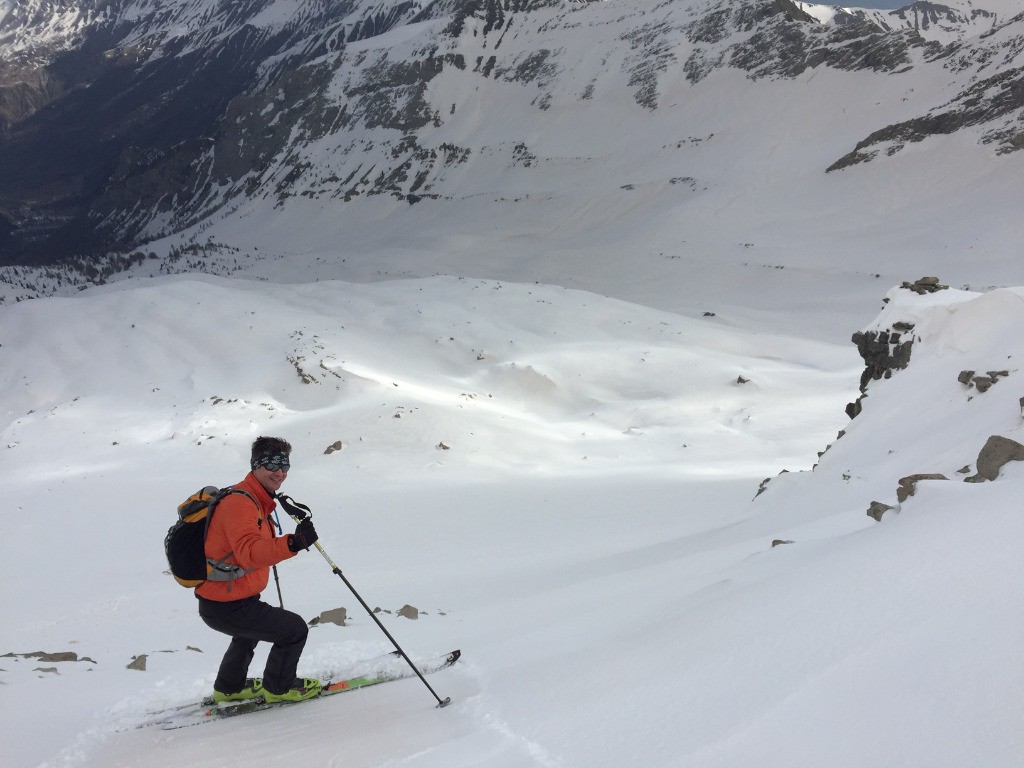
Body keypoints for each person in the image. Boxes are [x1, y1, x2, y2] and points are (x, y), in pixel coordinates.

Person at [195, 436, 323, 703]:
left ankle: (228, 688)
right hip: (226, 604)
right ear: (256, 465)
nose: (280, 472)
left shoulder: (255, 497)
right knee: (294, 630)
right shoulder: (240, 502)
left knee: (247, 634)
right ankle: (279, 689)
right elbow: (250, 552)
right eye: (272, 464)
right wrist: (293, 543)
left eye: (284, 465)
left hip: (230, 599)